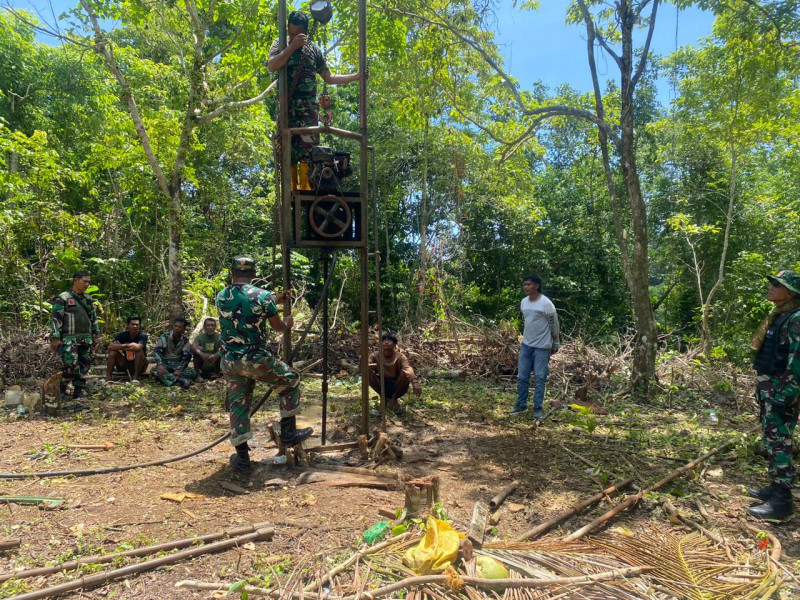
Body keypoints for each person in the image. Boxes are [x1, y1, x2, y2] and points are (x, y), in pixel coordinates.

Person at [216, 256, 313, 473]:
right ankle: (288, 434)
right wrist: (287, 323)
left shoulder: (221, 296)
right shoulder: (263, 296)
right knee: (291, 380)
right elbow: (278, 326)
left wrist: (274, 300)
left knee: (238, 406)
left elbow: (242, 308)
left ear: (232, 273)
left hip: (230, 362)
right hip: (255, 360)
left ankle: (242, 460)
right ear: (253, 274)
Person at [267, 10, 363, 190]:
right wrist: (291, 46)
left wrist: (356, 76)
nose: (293, 37)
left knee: (309, 150)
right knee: (287, 150)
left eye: (298, 34)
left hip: (308, 108)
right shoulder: (279, 44)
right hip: (287, 106)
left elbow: (329, 78)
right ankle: (290, 191)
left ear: (305, 32)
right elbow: (272, 66)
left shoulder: (313, 49)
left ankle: (305, 190)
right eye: (291, 33)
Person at [745, 269, 800, 521]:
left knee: (780, 442)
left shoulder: (796, 319)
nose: (771, 287)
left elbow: (797, 361)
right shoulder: (781, 315)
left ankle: (782, 501)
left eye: (777, 284)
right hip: (772, 388)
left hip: (782, 390)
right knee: (772, 438)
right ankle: (775, 487)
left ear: (790, 292)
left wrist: (785, 394)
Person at [511, 274, 560, 421]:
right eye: (524, 284)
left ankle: (538, 408)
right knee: (522, 377)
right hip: (527, 345)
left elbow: (553, 324)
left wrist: (555, 342)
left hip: (542, 347)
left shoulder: (546, 303)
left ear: (537, 286)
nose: (526, 287)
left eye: (529, 284)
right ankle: (521, 404)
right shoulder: (524, 302)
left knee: (539, 378)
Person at [50, 270, 100, 404]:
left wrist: (95, 335)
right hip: (69, 338)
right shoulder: (63, 298)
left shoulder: (88, 299)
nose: (87, 284)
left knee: (84, 365)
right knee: (71, 364)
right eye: (85, 281)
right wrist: (55, 338)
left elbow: (93, 318)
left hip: (86, 338)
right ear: (76, 280)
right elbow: (56, 319)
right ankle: (62, 388)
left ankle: (79, 390)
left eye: (89, 282)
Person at [368, 332, 422, 417]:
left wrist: (415, 383)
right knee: (367, 373)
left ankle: (393, 399)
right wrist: (363, 358)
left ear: (394, 344)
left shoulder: (400, 356)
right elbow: (365, 366)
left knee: (405, 373)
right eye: (384, 340)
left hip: (397, 385)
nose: (386, 342)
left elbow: (407, 368)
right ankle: (383, 398)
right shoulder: (375, 355)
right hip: (381, 384)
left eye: (389, 340)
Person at [151, 317, 196, 389]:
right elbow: (157, 352)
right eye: (175, 326)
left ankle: (170, 379)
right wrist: (160, 364)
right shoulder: (164, 337)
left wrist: (179, 369)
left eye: (179, 327)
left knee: (192, 372)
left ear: (184, 329)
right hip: (165, 363)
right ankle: (180, 380)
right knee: (154, 370)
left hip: (177, 364)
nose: (176, 328)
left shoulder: (185, 341)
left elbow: (186, 358)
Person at [106, 316, 148, 382]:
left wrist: (120, 346)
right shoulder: (123, 335)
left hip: (140, 365)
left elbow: (138, 347)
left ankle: (135, 377)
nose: (135, 326)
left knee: (139, 352)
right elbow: (110, 346)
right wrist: (126, 345)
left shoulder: (142, 336)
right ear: (128, 325)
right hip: (126, 363)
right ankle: (108, 378)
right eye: (132, 324)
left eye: (137, 324)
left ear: (139, 326)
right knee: (112, 353)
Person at [191, 317, 222, 381]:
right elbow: (193, 347)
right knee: (196, 353)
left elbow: (225, 347)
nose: (210, 327)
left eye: (212, 325)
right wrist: (202, 354)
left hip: (215, 362)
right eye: (208, 325)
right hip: (203, 362)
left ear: (215, 327)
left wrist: (216, 355)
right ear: (204, 327)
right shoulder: (200, 337)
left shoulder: (219, 336)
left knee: (222, 352)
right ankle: (198, 376)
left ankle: (215, 373)